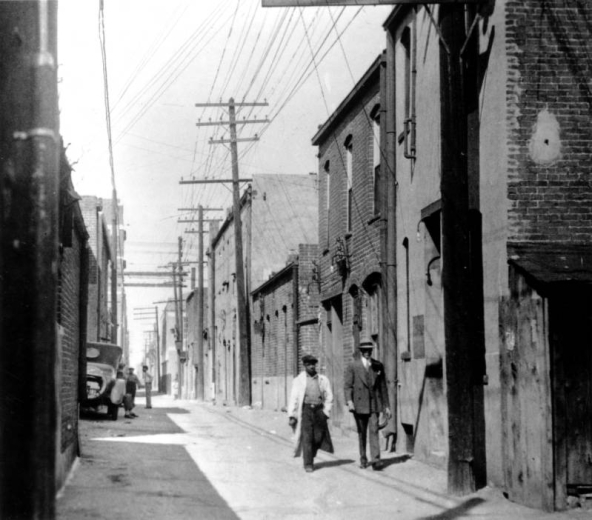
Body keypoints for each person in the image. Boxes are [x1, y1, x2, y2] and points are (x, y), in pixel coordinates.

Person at [344, 338, 391, 470]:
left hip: (374, 404)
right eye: (364, 350)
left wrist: (386, 406)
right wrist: (349, 401)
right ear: (361, 352)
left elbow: (383, 388)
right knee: (362, 433)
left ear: (372, 351)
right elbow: (347, 386)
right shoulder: (353, 366)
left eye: (369, 350)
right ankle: (363, 458)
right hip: (359, 405)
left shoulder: (378, 366)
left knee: (374, 430)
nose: (367, 353)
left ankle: (376, 460)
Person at [287, 354, 334, 473]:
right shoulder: (298, 380)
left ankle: (310, 455)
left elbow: (329, 396)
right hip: (306, 410)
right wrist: (292, 415)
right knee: (307, 437)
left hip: (319, 410)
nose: (312, 367)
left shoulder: (323, 379)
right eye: (309, 365)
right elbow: (294, 398)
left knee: (318, 437)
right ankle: (308, 463)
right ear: (305, 366)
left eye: (313, 364)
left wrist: (326, 412)